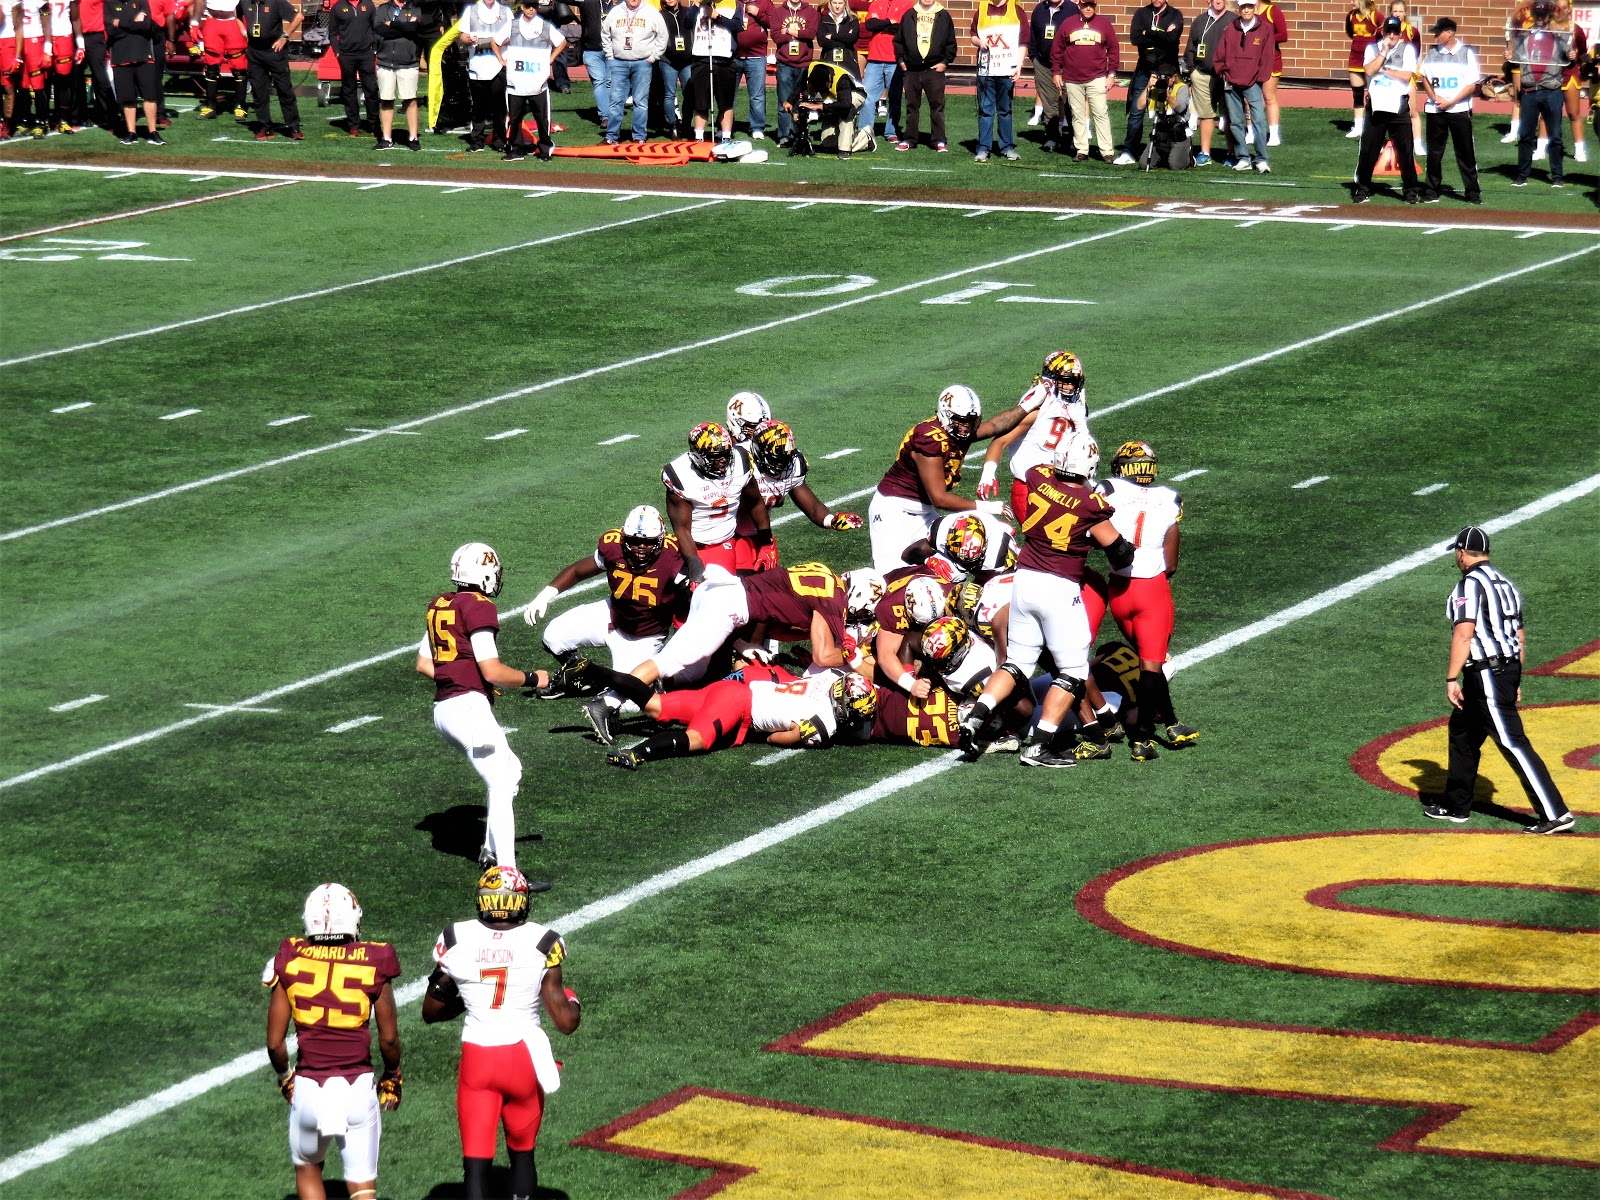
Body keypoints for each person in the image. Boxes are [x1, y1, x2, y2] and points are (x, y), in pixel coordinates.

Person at [958, 432, 1137, 767]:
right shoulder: (1091, 504)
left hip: (1024, 580)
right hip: (1060, 587)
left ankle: (976, 717)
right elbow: (1120, 552)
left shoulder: (1038, 478)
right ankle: (1039, 747)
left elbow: (1047, 489)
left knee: (1016, 663)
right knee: (1073, 671)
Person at [424, 866, 582, 1200]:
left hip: (478, 1059)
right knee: (522, 1154)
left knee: (475, 1163)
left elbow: (432, 1011)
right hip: (522, 1057)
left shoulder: (455, 937)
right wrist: (572, 999)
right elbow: (566, 1023)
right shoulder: (543, 941)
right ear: (520, 902)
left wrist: (471, 996)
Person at [416, 542, 569, 875]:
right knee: (500, 782)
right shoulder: (479, 606)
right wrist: (534, 678)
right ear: (484, 575)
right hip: (467, 708)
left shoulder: (440, 604)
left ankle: (490, 850)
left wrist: (466, 678)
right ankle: (507, 873)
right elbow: (493, 671)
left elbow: (424, 664)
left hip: (445, 708)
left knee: (511, 771)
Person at [264, 883, 403, 1200]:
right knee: (363, 1188)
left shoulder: (290, 956)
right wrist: (393, 1074)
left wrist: (285, 1077)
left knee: (308, 1169)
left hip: (309, 1087)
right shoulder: (375, 958)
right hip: (357, 1087)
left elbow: (274, 1043)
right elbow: (389, 1038)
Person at [1435, 526, 1574, 833]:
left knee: (1513, 743)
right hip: (1504, 670)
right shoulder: (1507, 585)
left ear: (1461, 552)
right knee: (1462, 732)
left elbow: (1464, 634)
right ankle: (1457, 805)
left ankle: (1556, 813)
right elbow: (1519, 637)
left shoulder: (1469, 585)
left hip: (1486, 673)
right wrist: (1515, 680)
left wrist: (1450, 678)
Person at [524, 505, 687, 710]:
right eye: (634, 540)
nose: (640, 547)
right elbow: (578, 571)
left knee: (631, 703)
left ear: (661, 539)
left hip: (644, 636)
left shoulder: (673, 557)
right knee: (553, 635)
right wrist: (545, 595)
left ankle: (652, 681)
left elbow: (689, 605)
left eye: (648, 542)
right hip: (612, 615)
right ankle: (581, 677)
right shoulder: (614, 547)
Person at [1094, 440, 1195, 761]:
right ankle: (1141, 738)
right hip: (1152, 592)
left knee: (1151, 660)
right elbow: (1172, 564)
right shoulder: (1169, 498)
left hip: (1118, 590)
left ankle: (1173, 723)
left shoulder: (1108, 489)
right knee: (1151, 666)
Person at [868, 384, 1033, 573]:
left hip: (924, 512)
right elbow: (939, 498)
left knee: (956, 559)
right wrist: (989, 507)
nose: (965, 427)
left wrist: (1032, 402)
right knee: (891, 575)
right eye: (961, 421)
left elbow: (996, 425)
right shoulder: (929, 438)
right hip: (894, 510)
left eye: (970, 422)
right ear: (945, 415)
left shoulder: (956, 431)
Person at [601, 665, 876, 767]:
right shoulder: (824, 724)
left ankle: (589, 670)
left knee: (655, 705)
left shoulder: (832, 675)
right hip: (739, 706)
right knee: (697, 739)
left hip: (740, 688)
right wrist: (793, 733)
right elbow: (775, 740)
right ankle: (636, 753)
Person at [978, 349, 1090, 520]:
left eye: (1074, 382)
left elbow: (1085, 447)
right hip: (1030, 489)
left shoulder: (1076, 403)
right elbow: (999, 441)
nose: (1070, 387)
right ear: (1051, 380)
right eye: (1066, 381)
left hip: (1061, 488)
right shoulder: (1040, 405)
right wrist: (988, 473)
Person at [661, 422, 771, 582]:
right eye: (716, 457)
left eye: (726, 454)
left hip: (725, 543)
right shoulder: (680, 474)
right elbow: (682, 528)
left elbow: (755, 502)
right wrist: (694, 564)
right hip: (693, 548)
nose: (723, 461)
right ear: (697, 457)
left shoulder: (741, 460)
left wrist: (766, 542)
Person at [1352, 14, 1419, 200]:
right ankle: (1363, 188)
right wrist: (1383, 52)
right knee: (1369, 150)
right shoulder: (1372, 48)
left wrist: (1384, 70)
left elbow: (1406, 76)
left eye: (1395, 32)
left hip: (1398, 106)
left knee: (1405, 151)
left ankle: (1410, 190)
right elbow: (1369, 70)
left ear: (1400, 33)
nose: (1392, 36)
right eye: (1388, 32)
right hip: (1376, 106)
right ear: (1383, 32)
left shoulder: (1407, 49)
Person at [1418, 16, 1480, 203]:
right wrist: (1435, 98)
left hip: (1459, 110)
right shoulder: (1432, 53)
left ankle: (1472, 192)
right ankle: (1431, 190)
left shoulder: (1466, 53)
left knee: (1465, 152)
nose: (1435, 36)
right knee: (1434, 153)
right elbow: (1424, 78)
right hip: (1435, 110)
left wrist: (1451, 102)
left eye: (1439, 33)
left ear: (1450, 32)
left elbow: (1471, 85)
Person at [1510, 0, 1571, 186]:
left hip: (1551, 90)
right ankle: (1522, 174)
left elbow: (1569, 57)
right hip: (1529, 90)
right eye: (1537, 14)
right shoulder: (1524, 36)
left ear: (1549, 16)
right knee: (1525, 135)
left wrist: (1572, 54)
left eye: (1543, 15)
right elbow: (1516, 57)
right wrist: (1509, 55)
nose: (1540, 18)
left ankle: (1557, 176)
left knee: (1555, 135)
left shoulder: (1558, 37)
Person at [1210, 0, 1273, 170]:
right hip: (1231, 82)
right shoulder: (1231, 28)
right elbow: (1219, 54)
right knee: (1236, 122)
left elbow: (1268, 56)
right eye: (1243, 7)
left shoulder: (1266, 28)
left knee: (1259, 121)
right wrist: (1224, 72)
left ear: (1255, 8)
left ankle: (1261, 159)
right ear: (1239, 8)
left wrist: (1259, 78)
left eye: (1249, 7)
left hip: (1253, 83)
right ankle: (1243, 157)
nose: (1246, 10)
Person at [1116, 0, 1181, 163]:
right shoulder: (1141, 14)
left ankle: (1163, 149)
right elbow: (1135, 38)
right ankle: (1129, 150)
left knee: (1165, 111)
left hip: (1166, 70)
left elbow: (1172, 39)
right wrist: (1161, 36)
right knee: (1136, 110)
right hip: (1144, 69)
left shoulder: (1175, 15)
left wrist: (1148, 33)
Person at [1052, 0, 1117, 162]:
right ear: (1079, 6)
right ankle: (1081, 150)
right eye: (1085, 5)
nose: (1088, 8)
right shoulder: (1068, 23)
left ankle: (1107, 151)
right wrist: (1056, 72)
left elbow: (1114, 49)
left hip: (1097, 76)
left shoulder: (1104, 23)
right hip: (1072, 78)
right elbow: (1057, 49)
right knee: (1077, 115)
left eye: (1091, 5)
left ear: (1095, 6)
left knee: (1101, 113)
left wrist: (1111, 74)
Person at [504, 0, 564, 156]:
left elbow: (562, 42)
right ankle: (516, 150)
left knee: (542, 119)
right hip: (516, 81)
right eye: (528, 6)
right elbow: (495, 41)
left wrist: (551, 58)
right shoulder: (512, 25)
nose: (531, 9)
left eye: (534, 6)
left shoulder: (545, 26)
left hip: (538, 82)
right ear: (522, 7)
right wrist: (501, 60)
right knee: (515, 118)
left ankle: (545, 149)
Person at [968, 0, 1024, 160]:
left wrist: (1019, 65)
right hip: (986, 70)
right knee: (985, 110)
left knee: (1005, 110)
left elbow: (1024, 41)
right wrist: (980, 42)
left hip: (1007, 70)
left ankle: (1006, 147)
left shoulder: (1016, 10)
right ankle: (983, 148)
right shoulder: (982, 8)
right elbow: (973, 35)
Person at [893, 0, 952, 150]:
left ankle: (939, 140)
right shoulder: (909, 14)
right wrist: (901, 60)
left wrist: (945, 62)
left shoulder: (943, 15)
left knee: (937, 106)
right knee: (911, 106)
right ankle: (910, 139)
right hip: (912, 69)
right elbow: (899, 41)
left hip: (934, 69)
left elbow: (951, 42)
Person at [602, 0, 664, 143]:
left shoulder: (651, 12)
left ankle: (639, 136)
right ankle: (611, 136)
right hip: (618, 62)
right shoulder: (615, 11)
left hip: (642, 63)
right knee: (616, 101)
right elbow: (605, 33)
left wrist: (653, 57)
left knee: (640, 101)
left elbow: (662, 36)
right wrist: (610, 55)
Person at [1179, 0, 1229, 163]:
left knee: (1229, 115)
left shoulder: (1233, 20)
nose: (1218, 1)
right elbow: (1190, 47)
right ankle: (1205, 153)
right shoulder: (1200, 21)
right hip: (1202, 74)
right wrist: (1193, 70)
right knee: (1206, 115)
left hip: (1226, 76)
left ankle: (1232, 153)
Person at [106, 0, 163, 141]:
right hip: (121, 55)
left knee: (150, 95)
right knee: (127, 97)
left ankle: (153, 132)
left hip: (143, 54)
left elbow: (146, 25)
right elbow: (111, 30)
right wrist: (134, 22)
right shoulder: (109, 3)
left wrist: (120, 22)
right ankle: (131, 132)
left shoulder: (141, 1)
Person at [688, 0, 743, 142]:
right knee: (700, 101)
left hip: (724, 59)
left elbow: (738, 26)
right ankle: (699, 136)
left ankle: (726, 136)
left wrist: (717, 17)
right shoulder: (697, 4)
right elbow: (687, 23)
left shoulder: (732, 4)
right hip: (702, 58)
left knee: (726, 102)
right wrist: (696, 5)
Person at [788, 53, 866, 153]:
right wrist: (790, 101)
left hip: (853, 94)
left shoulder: (841, 78)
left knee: (846, 114)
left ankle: (854, 144)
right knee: (829, 145)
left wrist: (819, 106)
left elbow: (845, 104)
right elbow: (801, 86)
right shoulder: (809, 71)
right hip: (834, 96)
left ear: (829, 79)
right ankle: (841, 142)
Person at [244, 0, 300, 138]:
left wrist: (284, 37)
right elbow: (236, 14)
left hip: (275, 51)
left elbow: (299, 17)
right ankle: (265, 126)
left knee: (284, 89)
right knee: (259, 91)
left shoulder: (276, 2)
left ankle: (294, 127)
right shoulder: (245, 2)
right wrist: (243, 31)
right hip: (255, 52)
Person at [460, 0, 510, 150]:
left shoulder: (506, 11)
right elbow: (463, 35)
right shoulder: (471, 10)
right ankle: (477, 140)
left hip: (498, 65)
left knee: (499, 107)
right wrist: (469, 39)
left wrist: (494, 43)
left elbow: (512, 34)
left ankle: (499, 140)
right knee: (478, 106)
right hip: (477, 65)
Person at [373, 0, 423, 148]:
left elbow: (413, 29)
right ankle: (386, 138)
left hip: (408, 62)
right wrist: (404, 28)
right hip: (385, 61)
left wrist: (392, 24)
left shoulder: (415, 9)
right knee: (386, 100)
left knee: (410, 100)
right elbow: (380, 29)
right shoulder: (383, 9)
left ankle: (413, 138)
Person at [1025, 0, 1071, 152]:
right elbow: (1033, 35)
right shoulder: (1040, 9)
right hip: (1043, 64)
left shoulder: (1072, 9)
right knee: (1049, 103)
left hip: (1067, 65)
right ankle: (1052, 136)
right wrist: (1033, 57)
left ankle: (1073, 138)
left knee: (1070, 102)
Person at [858, 0, 906, 145]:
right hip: (874, 58)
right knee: (867, 97)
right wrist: (889, 23)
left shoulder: (906, 4)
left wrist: (881, 25)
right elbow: (870, 25)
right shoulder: (876, 3)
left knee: (895, 98)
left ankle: (891, 132)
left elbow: (902, 28)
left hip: (895, 59)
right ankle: (864, 131)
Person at [328, 0, 379, 134]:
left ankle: (374, 125)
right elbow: (332, 33)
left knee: (371, 89)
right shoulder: (338, 7)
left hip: (366, 54)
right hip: (346, 55)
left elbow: (375, 28)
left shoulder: (368, 4)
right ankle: (354, 125)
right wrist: (338, 53)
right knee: (349, 90)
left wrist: (374, 50)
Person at [771, 0, 817, 145]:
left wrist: (788, 31)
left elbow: (811, 33)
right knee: (784, 102)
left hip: (804, 63)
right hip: (784, 63)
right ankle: (784, 135)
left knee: (801, 102)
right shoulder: (779, 12)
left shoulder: (810, 11)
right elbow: (776, 36)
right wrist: (799, 34)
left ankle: (799, 134)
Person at [192, 0, 247, 117]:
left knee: (239, 67)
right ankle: (211, 106)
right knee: (211, 67)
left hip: (234, 22)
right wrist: (194, 22)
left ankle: (240, 105)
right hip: (213, 22)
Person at [732, 0, 772, 138]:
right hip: (733, 56)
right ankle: (726, 126)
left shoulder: (765, 2)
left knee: (757, 95)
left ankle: (757, 127)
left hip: (756, 57)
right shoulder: (732, 2)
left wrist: (759, 14)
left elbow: (775, 23)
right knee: (728, 94)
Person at [658, 0, 697, 133]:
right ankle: (672, 125)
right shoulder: (660, 15)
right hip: (668, 61)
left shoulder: (688, 12)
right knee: (669, 94)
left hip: (687, 61)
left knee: (689, 93)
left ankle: (686, 124)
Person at [1343, 0, 1379, 137]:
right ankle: (1358, 126)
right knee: (1357, 94)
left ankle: (1374, 125)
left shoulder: (1375, 15)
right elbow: (1349, 32)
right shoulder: (1351, 16)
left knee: (1374, 93)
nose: (1351, 2)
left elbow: (1384, 32)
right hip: (1355, 58)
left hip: (1371, 59)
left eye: (1354, 0)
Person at [1256, 0, 1286, 143]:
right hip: (1251, 62)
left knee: (1269, 97)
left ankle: (1274, 135)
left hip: (1271, 60)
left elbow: (1283, 35)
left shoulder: (1272, 11)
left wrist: (1265, 38)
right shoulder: (1247, 11)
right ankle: (1251, 132)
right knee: (1247, 100)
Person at [815, 0, 858, 76]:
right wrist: (845, 39)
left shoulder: (852, 19)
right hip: (828, 60)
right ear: (830, 3)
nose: (837, 6)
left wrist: (832, 36)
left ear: (845, 3)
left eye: (840, 3)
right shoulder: (824, 20)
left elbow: (853, 38)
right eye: (834, 3)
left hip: (848, 61)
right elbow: (821, 41)